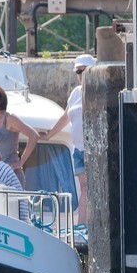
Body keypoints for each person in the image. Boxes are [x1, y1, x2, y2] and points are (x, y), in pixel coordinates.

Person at [42, 53, 93, 214]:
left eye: (84, 70)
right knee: (84, 188)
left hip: (92, 148)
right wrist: (49, 136)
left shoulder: (97, 91)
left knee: (91, 188)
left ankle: (89, 223)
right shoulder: (76, 93)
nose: (80, 75)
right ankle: (82, 224)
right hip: (78, 149)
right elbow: (65, 117)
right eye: (78, 71)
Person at [0, 83, 40, 188]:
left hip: (12, 175)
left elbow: (34, 135)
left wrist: (20, 163)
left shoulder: (9, 119)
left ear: (0, 98)